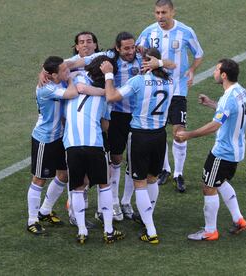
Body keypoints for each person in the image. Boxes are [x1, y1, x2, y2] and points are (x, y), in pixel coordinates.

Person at [77, 32, 176, 222]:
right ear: (117, 48)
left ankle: (126, 201)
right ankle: (113, 201)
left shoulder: (143, 57)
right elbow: (80, 62)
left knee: (135, 164)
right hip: (118, 117)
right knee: (116, 159)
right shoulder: (110, 58)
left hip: (139, 118)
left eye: (133, 47)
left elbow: (171, 63)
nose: (131, 52)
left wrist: (158, 62)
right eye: (126, 49)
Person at [101, 48, 175, 244]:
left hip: (140, 136)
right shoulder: (169, 80)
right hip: (160, 135)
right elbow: (172, 64)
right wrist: (159, 62)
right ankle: (146, 217)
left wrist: (109, 74)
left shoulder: (138, 81)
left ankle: (150, 231)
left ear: (146, 63)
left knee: (139, 183)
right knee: (152, 179)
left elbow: (111, 96)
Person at [176, 59, 246, 241]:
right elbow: (229, 111)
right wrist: (211, 104)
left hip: (223, 152)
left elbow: (214, 126)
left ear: (224, 75)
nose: (213, 73)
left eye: (216, 70)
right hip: (237, 150)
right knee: (220, 181)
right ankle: (239, 219)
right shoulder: (241, 92)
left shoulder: (228, 98)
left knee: (208, 187)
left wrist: (188, 134)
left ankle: (210, 231)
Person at [137, 0, 204, 192]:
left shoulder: (185, 31)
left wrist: (191, 69)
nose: (160, 17)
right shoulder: (149, 31)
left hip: (178, 89)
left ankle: (178, 173)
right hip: (156, 88)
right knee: (159, 130)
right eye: (157, 13)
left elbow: (198, 54)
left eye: (164, 12)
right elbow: (139, 50)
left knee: (179, 132)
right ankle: (165, 169)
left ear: (172, 12)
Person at [64, 55, 125, 244]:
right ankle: (108, 230)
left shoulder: (76, 80)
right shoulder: (107, 96)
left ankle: (82, 231)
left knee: (77, 187)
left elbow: (68, 71)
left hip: (72, 144)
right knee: (103, 184)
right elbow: (105, 126)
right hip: (94, 144)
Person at [27, 56, 80, 235]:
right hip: (44, 139)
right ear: (52, 75)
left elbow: (74, 65)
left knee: (63, 174)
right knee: (39, 179)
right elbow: (72, 93)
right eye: (64, 71)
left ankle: (45, 211)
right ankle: (32, 220)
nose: (67, 72)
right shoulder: (46, 89)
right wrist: (72, 79)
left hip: (59, 137)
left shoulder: (55, 80)